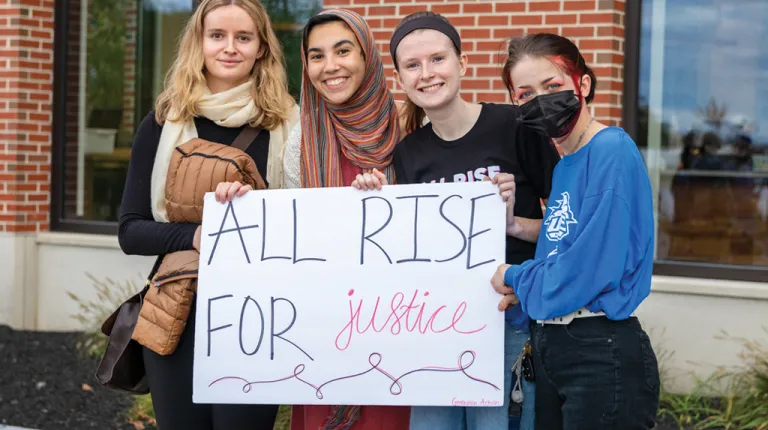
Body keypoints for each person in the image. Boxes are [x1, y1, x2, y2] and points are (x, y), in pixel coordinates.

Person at [353, 12, 561, 430]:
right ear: (400, 78)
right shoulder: (408, 154)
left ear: (462, 64)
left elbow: (565, 230)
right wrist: (373, 201)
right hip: (436, 332)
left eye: (437, 59)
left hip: (510, 323)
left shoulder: (516, 125)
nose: (426, 73)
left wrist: (515, 228)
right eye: (412, 65)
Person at [215, 8, 411, 430]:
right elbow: (288, 232)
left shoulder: (411, 124)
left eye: (343, 51)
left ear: (367, 55)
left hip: (397, 332)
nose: (330, 66)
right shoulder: (301, 136)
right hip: (323, 334)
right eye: (316, 56)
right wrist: (246, 206)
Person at [117, 0, 299, 428]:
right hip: (176, 314)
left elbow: (302, 221)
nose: (229, 48)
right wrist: (199, 236)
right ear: (198, 44)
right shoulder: (163, 123)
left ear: (261, 48)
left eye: (243, 37)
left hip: (260, 314)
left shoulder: (290, 125)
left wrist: (256, 198)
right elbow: (131, 232)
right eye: (217, 36)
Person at [490, 33, 660, 430]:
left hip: (601, 352)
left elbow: (589, 266)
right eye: (525, 94)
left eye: (553, 87)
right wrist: (514, 225)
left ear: (582, 85)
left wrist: (514, 276)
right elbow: (563, 244)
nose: (541, 101)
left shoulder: (610, 149)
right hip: (557, 350)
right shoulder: (566, 162)